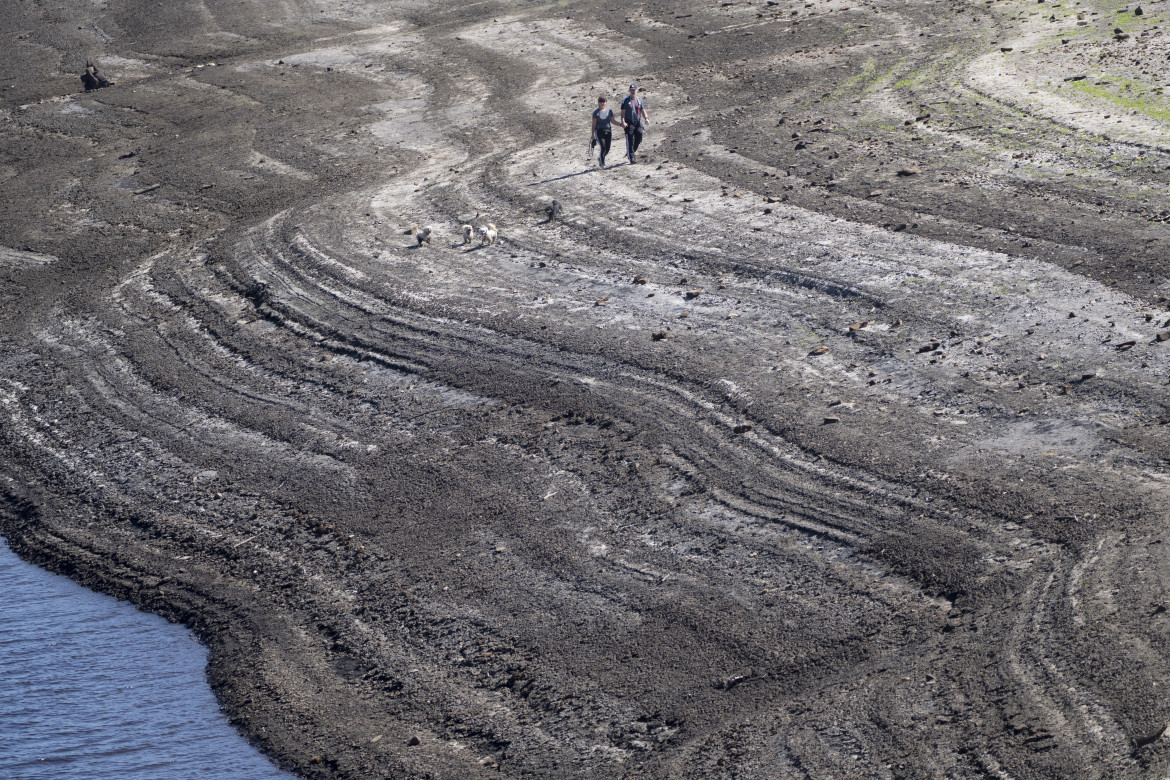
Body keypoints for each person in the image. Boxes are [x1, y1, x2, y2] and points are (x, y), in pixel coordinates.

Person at [620, 84, 649, 164]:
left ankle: (630, 152)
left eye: (634, 90)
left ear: (637, 91)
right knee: (630, 140)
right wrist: (623, 121)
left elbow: (643, 110)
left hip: (638, 122)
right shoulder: (626, 100)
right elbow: (623, 112)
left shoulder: (639, 100)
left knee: (639, 138)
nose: (633, 91)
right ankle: (632, 157)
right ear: (629, 91)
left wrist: (646, 118)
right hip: (629, 123)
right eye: (631, 90)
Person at [591, 95, 622, 169]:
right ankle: (602, 163)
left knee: (607, 148)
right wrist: (593, 135)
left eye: (604, 101)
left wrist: (620, 124)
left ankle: (600, 158)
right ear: (598, 103)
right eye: (600, 101)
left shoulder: (609, 111)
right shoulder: (596, 113)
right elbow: (593, 124)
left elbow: (613, 121)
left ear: (606, 102)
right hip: (599, 132)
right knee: (603, 147)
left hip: (608, 131)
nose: (602, 103)